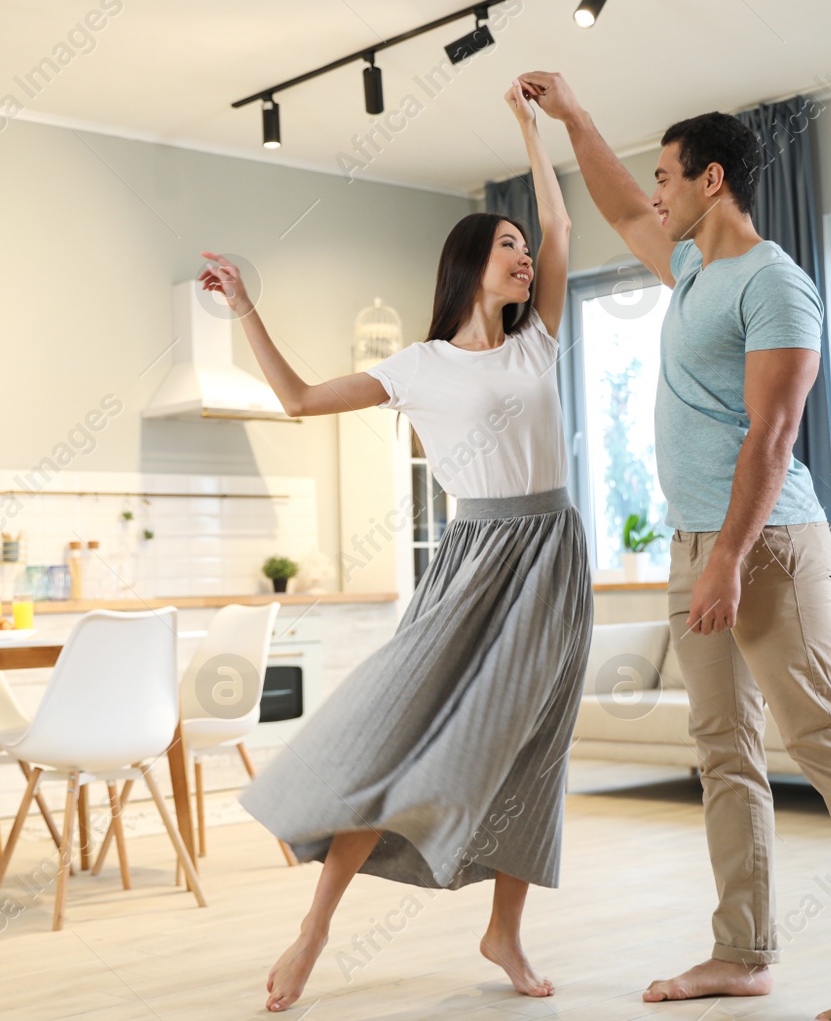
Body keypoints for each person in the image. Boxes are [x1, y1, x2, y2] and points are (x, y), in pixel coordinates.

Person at [518, 70, 831, 1021]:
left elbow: (773, 436)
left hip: (769, 543)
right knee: (724, 751)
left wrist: (729, 559)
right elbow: (621, 206)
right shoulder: (698, 270)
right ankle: (742, 951)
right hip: (695, 541)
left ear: (712, 179)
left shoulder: (776, 282)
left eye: (667, 176)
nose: (654, 192)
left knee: (828, 738)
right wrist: (578, 116)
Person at [200, 81, 592, 1014]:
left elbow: (564, 229)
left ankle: (504, 927)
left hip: (553, 559)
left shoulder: (538, 344)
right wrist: (248, 308)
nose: (528, 259)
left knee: (535, 748)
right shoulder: (413, 368)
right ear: (468, 263)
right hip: (475, 561)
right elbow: (297, 400)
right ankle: (315, 928)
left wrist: (534, 133)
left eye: (527, 252)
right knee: (404, 742)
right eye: (509, 248)